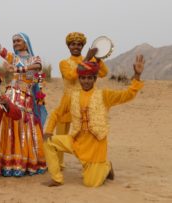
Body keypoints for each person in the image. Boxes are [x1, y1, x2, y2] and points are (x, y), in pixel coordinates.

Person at [43, 55, 145, 187]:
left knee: (91, 183)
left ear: (95, 79)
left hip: (95, 147)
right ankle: (56, 178)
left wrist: (136, 76)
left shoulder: (104, 95)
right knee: (48, 142)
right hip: (76, 141)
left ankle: (106, 167)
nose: (86, 81)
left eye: (89, 78)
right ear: (79, 79)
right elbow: (57, 113)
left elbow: (127, 95)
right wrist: (49, 130)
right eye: (83, 78)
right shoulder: (72, 96)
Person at [0, 13, 47, 176]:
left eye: (18, 40)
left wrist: (18, 69)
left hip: (26, 98)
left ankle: (26, 163)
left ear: (26, 43)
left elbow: (36, 69)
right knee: (9, 127)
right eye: (14, 41)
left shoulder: (34, 59)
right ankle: (9, 164)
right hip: (12, 95)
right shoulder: (13, 57)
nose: (15, 43)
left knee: (25, 127)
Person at [47, 32, 109, 169]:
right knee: (61, 133)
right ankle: (58, 164)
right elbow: (70, 76)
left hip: (85, 102)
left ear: (83, 46)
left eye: (79, 44)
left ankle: (88, 162)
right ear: (68, 46)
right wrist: (87, 58)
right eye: (73, 44)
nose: (76, 46)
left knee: (86, 133)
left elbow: (104, 73)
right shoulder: (64, 63)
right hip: (67, 102)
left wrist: (97, 59)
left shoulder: (91, 61)